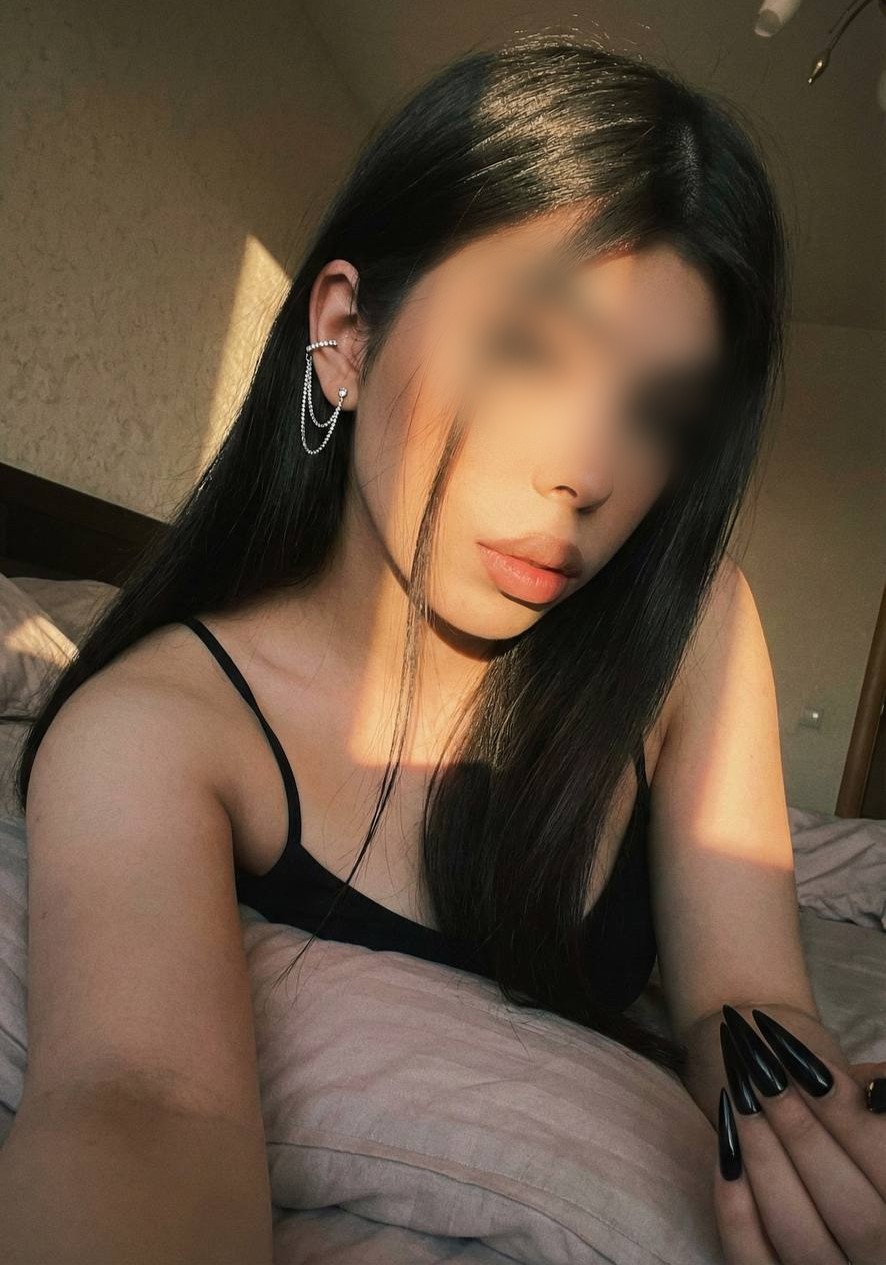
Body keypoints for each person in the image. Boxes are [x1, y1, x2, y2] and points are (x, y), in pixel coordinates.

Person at [4, 31, 884, 1265]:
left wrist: (817, 1137)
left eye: (655, 411)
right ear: (346, 336)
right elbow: (140, 1102)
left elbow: (748, 998)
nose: (587, 470)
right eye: (528, 349)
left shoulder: (692, 623)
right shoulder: (155, 728)